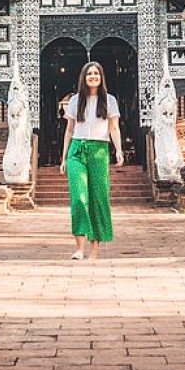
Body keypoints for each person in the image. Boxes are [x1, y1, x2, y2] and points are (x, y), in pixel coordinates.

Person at [59, 61, 124, 260]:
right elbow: (69, 130)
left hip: (99, 151)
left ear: (101, 77)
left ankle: (94, 249)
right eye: (89, 74)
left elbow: (114, 128)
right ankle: (79, 248)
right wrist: (63, 158)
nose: (93, 76)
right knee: (79, 198)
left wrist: (119, 150)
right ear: (83, 77)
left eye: (96, 73)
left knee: (97, 199)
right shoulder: (74, 101)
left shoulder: (110, 100)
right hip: (77, 150)